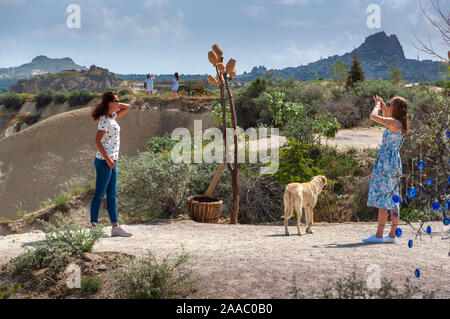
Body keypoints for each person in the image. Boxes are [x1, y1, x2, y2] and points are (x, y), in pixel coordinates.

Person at [363, 95, 409, 243]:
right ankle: (392, 235)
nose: (388, 106)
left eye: (390, 104)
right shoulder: (399, 123)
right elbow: (386, 120)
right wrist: (383, 106)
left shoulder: (393, 122)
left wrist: (377, 105)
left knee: (383, 198)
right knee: (392, 198)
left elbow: (373, 117)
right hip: (394, 162)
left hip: (386, 163)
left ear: (396, 108)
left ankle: (378, 235)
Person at [90, 91, 132, 237]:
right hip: (104, 161)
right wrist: (108, 159)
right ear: (109, 103)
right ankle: (93, 227)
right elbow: (97, 141)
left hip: (112, 161)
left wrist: (116, 103)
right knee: (99, 194)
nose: (118, 103)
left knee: (112, 195)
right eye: (115, 101)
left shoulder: (112, 117)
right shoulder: (104, 120)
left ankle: (115, 227)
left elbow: (127, 107)